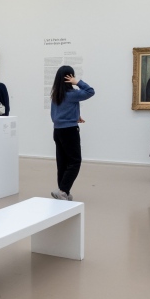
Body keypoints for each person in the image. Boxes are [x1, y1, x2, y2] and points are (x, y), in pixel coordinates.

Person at [50, 65, 95, 200]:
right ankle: (63, 190)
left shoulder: (56, 95)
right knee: (75, 161)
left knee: (62, 162)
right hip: (69, 131)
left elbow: (56, 114)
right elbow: (90, 91)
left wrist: (75, 116)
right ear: (70, 78)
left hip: (58, 131)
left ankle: (63, 191)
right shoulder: (72, 94)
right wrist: (78, 82)